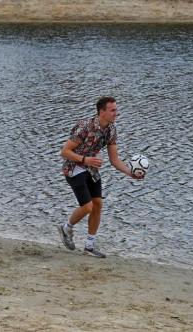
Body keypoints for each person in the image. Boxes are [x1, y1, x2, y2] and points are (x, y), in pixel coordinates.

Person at [58, 96, 143, 258]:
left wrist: (130, 173)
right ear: (101, 112)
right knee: (87, 206)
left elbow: (114, 160)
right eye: (112, 110)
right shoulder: (85, 127)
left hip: (91, 169)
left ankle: (89, 247)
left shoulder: (111, 130)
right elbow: (64, 152)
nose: (116, 113)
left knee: (98, 204)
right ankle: (66, 228)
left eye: (116, 110)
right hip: (73, 168)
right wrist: (85, 159)